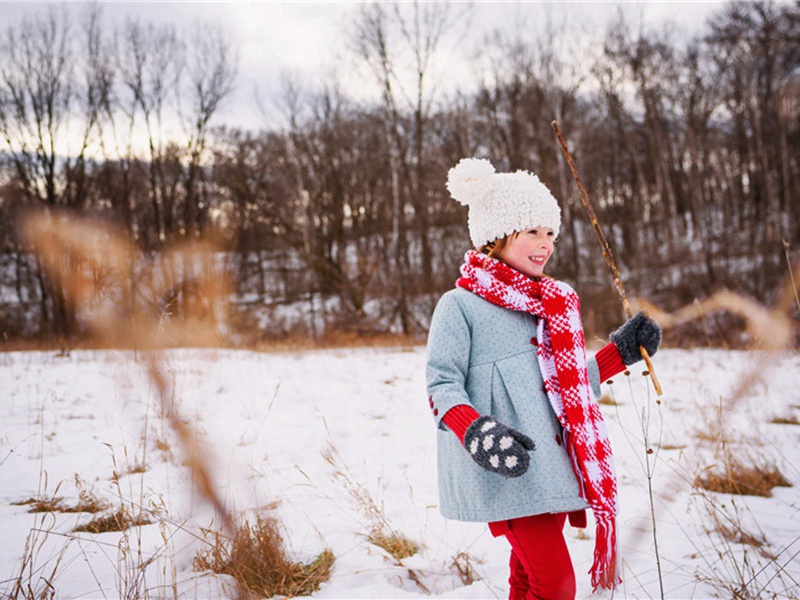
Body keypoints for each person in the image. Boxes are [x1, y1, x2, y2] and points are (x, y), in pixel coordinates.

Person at [425, 158, 661, 599]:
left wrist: (619, 354)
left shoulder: (548, 304)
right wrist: (476, 431)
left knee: (528, 580)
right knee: (556, 584)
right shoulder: (459, 306)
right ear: (497, 234)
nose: (545, 244)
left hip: (550, 466)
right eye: (532, 231)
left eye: (551, 233)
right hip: (504, 468)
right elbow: (441, 384)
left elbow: (563, 386)